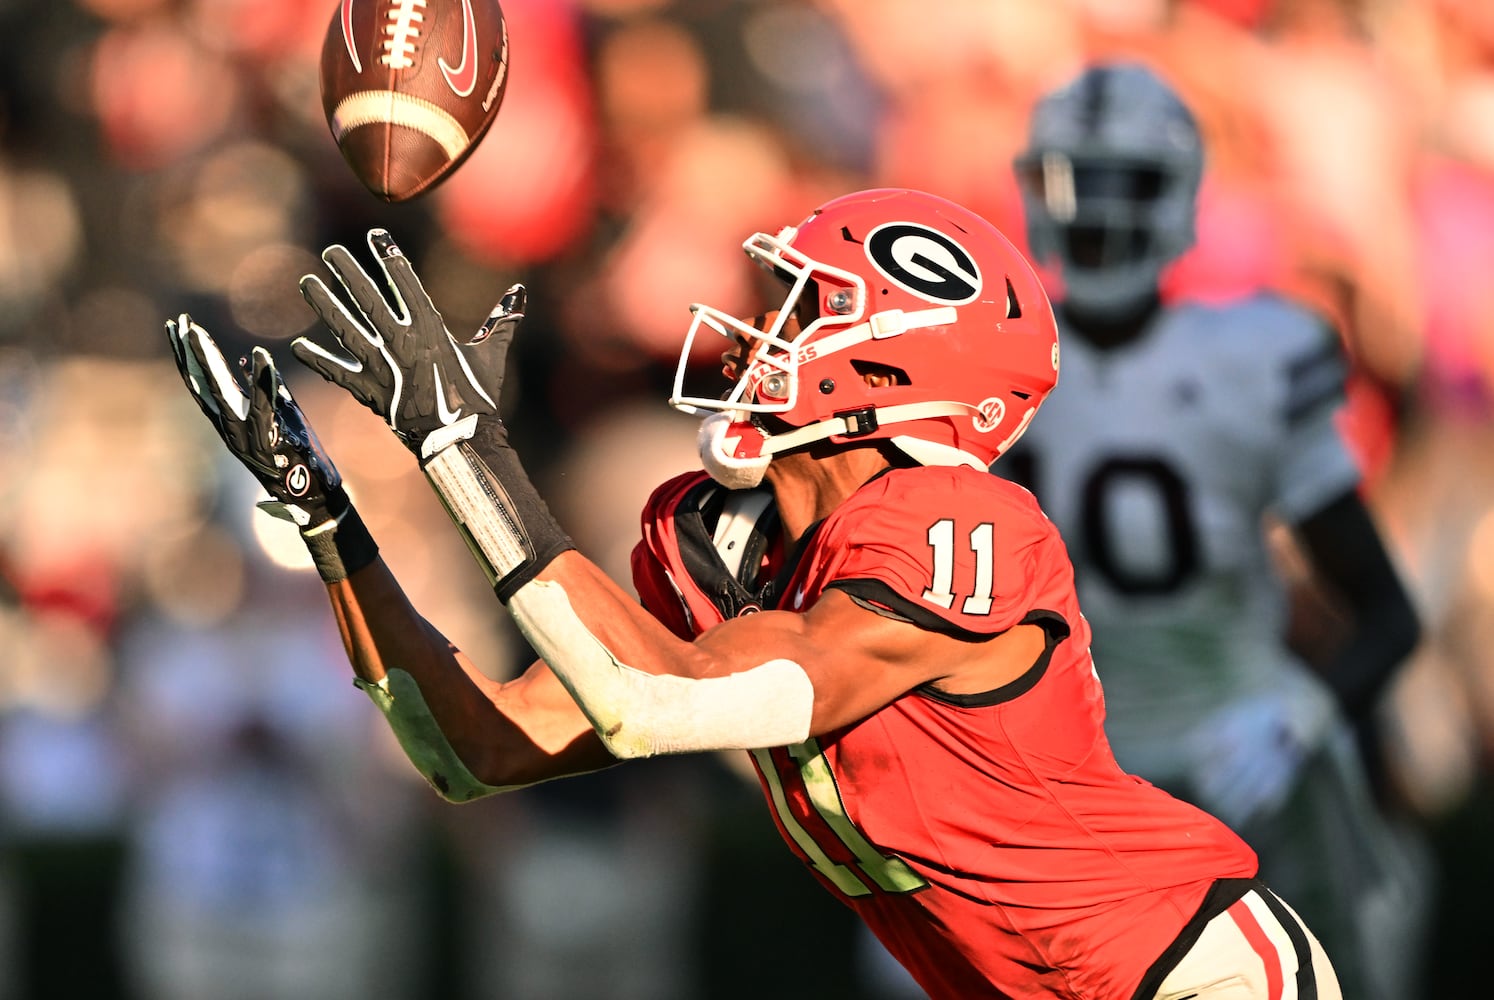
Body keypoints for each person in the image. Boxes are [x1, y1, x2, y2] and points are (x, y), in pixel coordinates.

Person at [165, 187, 1344, 998]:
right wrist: (334, 523)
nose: (754, 338)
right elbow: (479, 749)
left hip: (1184, 970)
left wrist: (460, 443)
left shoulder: (961, 522)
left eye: (803, 311)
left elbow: (651, 700)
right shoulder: (716, 533)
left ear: (892, 362)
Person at [1005, 63, 1426, 999]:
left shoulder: (1254, 357)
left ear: (1180, 195)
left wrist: (1300, 715)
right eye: (1076, 184)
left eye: (1126, 187)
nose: (1097, 216)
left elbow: (1384, 613)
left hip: (1241, 760)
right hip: (1064, 786)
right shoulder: (996, 364)